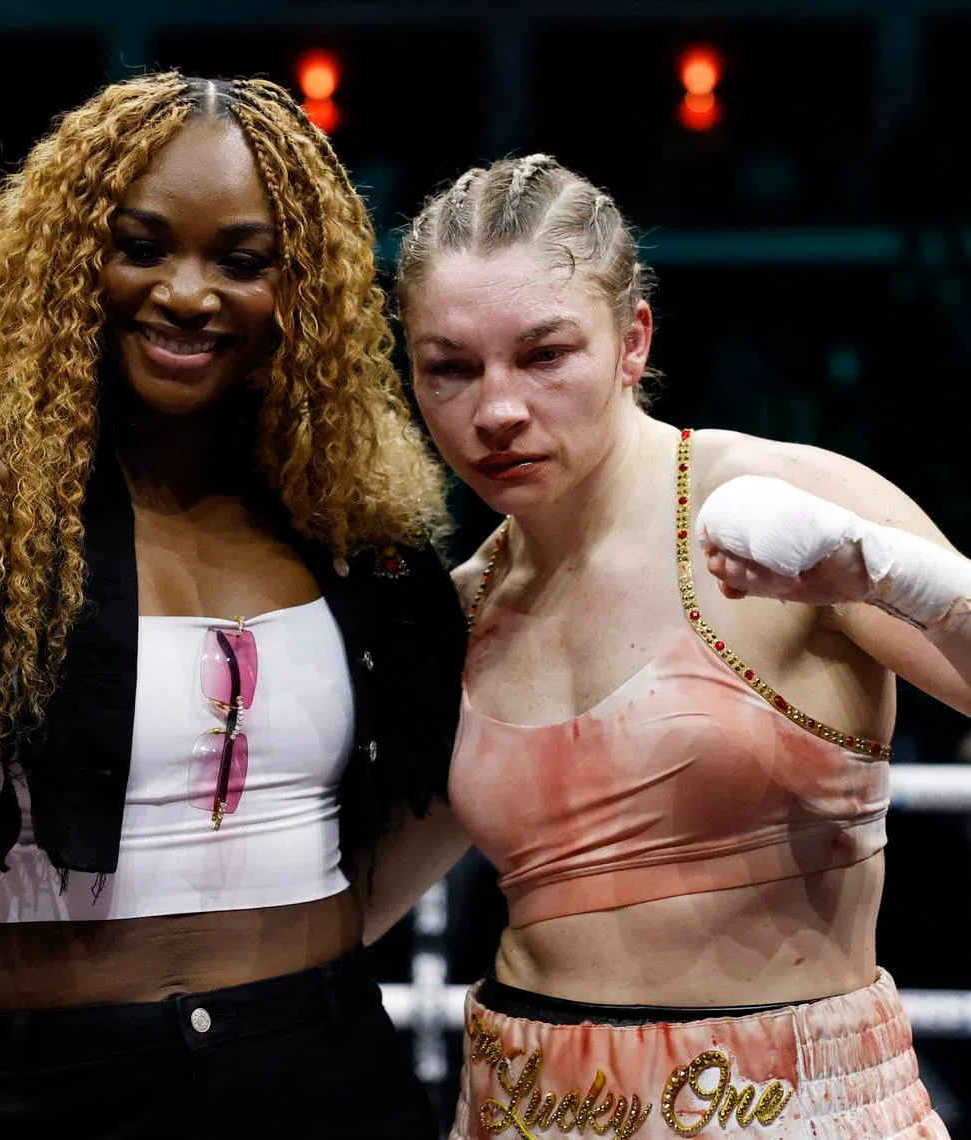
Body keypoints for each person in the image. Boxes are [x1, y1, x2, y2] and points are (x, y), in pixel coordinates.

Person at [0, 72, 465, 1138]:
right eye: (141, 246)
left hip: (315, 1074)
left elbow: (435, 791)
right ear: (71, 259)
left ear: (299, 289)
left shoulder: (352, 535)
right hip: (19, 1092)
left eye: (242, 261)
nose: (187, 291)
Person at [388, 154, 970, 1137]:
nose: (496, 409)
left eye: (544, 355)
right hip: (517, 1108)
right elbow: (348, 905)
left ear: (632, 340)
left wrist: (895, 574)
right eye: (450, 367)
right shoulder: (459, 615)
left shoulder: (780, 503)